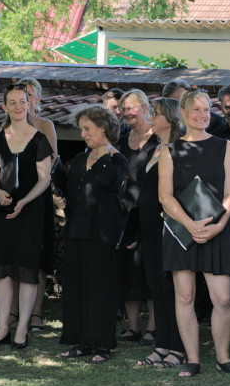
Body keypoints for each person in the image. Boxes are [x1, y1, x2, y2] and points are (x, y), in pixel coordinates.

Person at [159, 90, 230, 377]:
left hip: (218, 228)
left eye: (206, 109)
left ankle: (223, 358)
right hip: (182, 230)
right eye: (196, 109)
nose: (202, 114)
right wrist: (190, 224)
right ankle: (193, 359)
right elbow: (165, 197)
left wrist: (218, 225)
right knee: (184, 296)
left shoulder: (225, 146)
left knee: (223, 299)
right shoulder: (169, 151)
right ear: (183, 114)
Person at [0, 84, 53, 350]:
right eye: (11, 102)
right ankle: (3, 328)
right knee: (2, 271)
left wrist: (25, 200)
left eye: (21, 101)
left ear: (30, 103)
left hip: (31, 212)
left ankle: (22, 328)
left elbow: (44, 178)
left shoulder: (39, 139)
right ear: (4, 107)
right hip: (4, 211)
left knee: (27, 272)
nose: (17, 107)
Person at [58, 106, 127, 363]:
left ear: (104, 128)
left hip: (103, 232)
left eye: (87, 128)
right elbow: (70, 189)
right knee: (76, 286)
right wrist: (61, 199)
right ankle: (80, 342)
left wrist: (104, 153)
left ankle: (101, 346)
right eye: (81, 128)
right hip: (77, 228)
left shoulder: (118, 159)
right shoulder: (78, 159)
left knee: (100, 288)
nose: (83, 133)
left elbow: (108, 181)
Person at [136, 98, 186, 368]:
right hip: (149, 228)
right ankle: (162, 345)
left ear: (170, 118)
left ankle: (177, 348)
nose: (150, 118)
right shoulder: (154, 148)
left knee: (171, 289)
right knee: (157, 289)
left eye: (155, 114)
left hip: (169, 227)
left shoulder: (180, 149)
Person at [115, 89, 158, 344]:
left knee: (151, 270)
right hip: (125, 216)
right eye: (123, 109)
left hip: (153, 214)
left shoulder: (160, 140)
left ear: (145, 107)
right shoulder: (121, 141)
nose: (126, 113)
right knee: (127, 271)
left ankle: (152, 328)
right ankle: (133, 327)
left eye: (131, 108)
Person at [21, 78, 59, 332]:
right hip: (13, 195)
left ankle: (35, 314)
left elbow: (53, 158)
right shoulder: (6, 125)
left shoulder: (45, 125)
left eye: (28, 94)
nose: (24, 97)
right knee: (15, 256)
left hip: (39, 195)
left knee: (37, 256)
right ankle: (12, 312)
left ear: (37, 99)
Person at [162, 79, 228, 136]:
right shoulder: (163, 126)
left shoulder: (216, 123)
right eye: (174, 103)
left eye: (183, 100)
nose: (180, 105)